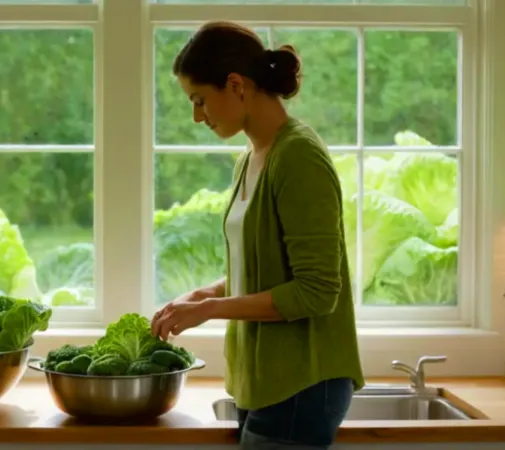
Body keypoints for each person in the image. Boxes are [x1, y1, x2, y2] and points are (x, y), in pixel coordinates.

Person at [150, 21, 365, 449]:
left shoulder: (298, 156)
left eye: (199, 100)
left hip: (303, 384)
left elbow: (317, 291)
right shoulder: (251, 159)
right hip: (265, 381)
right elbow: (268, 271)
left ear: (236, 85)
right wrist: (203, 294)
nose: (197, 116)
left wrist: (212, 309)